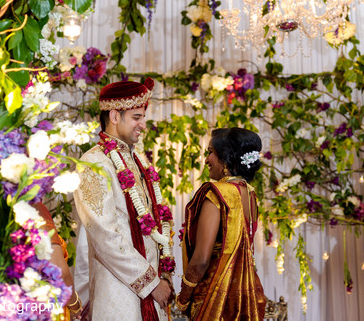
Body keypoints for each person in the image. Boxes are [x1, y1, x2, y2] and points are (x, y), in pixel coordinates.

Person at [73, 78, 175, 321]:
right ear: (115, 116)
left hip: (150, 292)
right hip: (119, 293)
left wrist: (163, 275)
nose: (143, 125)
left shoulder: (136, 160)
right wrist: (152, 283)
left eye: (143, 117)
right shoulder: (94, 164)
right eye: (137, 117)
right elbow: (104, 235)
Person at [175, 127, 267, 320]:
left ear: (225, 158)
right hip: (242, 299)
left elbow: (200, 261)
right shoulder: (250, 195)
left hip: (214, 299)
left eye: (210, 153)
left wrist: (182, 298)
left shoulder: (218, 194)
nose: (207, 160)